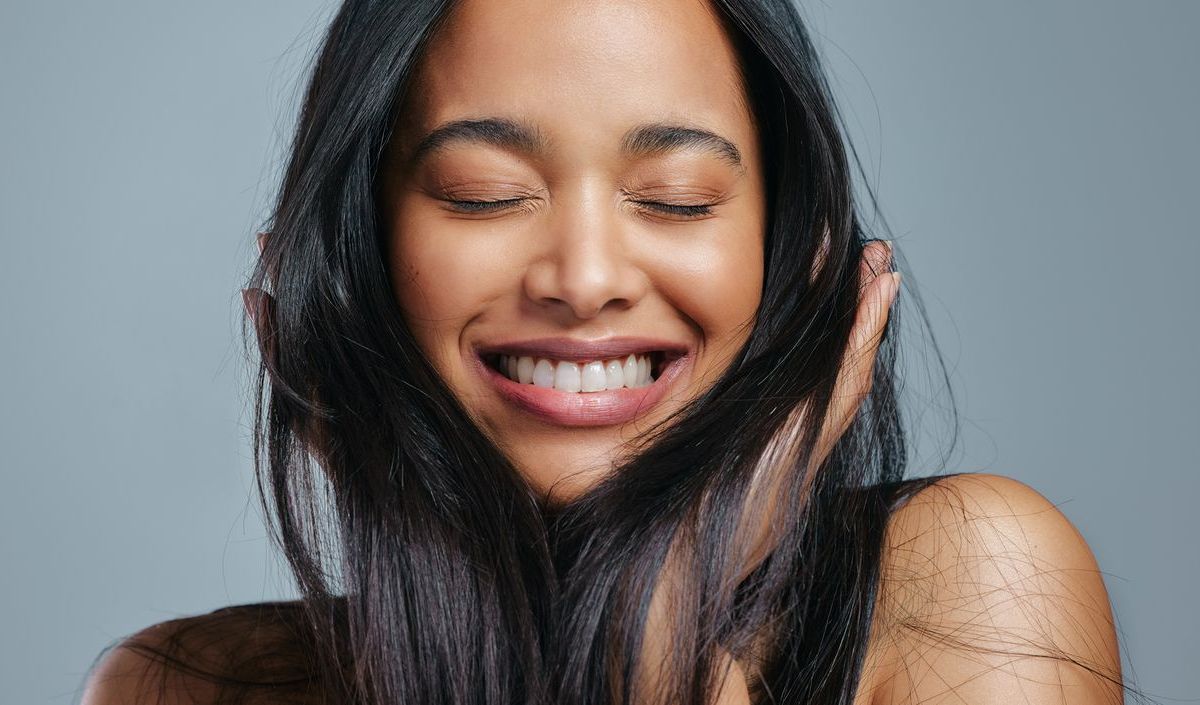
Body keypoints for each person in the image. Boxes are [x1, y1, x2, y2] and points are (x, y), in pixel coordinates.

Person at [81, 1, 1124, 703]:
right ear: (351, 257)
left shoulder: (972, 584)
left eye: (675, 198)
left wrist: (663, 625)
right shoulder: (187, 685)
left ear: (793, 256)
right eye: (482, 193)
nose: (583, 279)